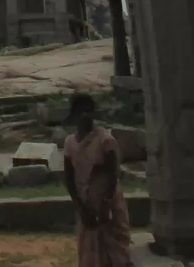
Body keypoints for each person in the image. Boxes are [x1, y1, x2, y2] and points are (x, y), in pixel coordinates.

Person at [62, 93, 131, 267]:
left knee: (116, 252)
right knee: (89, 255)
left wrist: (106, 205)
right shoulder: (70, 143)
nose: (85, 115)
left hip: (108, 204)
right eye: (81, 111)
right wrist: (81, 208)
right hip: (86, 203)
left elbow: (113, 174)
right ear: (74, 115)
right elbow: (69, 179)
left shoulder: (105, 140)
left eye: (89, 111)